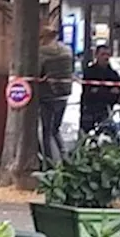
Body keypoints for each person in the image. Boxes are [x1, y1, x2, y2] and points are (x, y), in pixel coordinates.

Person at [37, 26, 74, 165]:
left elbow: (38, 72)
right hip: (64, 94)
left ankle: (49, 162)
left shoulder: (42, 53)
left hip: (47, 95)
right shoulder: (67, 51)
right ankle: (65, 157)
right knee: (56, 129)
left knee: (46, 131)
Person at [80, 44, 120, 134]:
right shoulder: (89, 72)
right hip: (89, 109)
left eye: (107, 54)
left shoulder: (113, 74)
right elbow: (88, 93)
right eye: (103, 54)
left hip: (106, 110)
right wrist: (107, 92)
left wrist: (99, 91)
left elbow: (116, 95)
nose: (106, 57)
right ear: (96, 55)